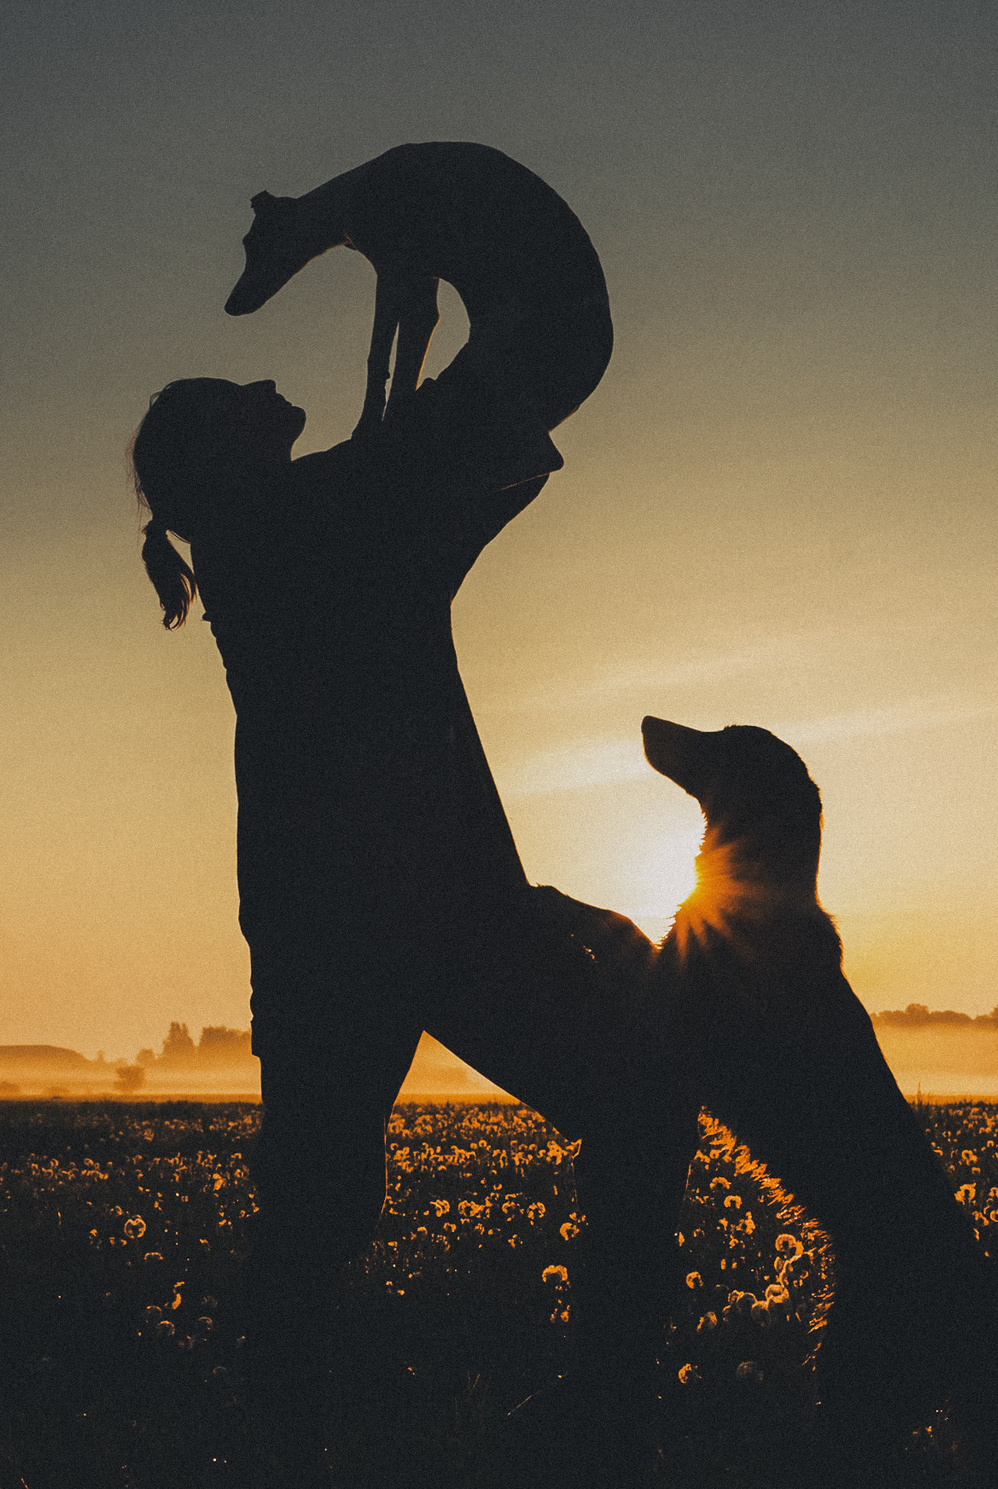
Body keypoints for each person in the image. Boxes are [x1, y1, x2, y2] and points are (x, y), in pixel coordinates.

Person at [131, 350, 694, 1483]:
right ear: (221, 455)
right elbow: (436, 491)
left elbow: (418, 496)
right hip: (426, 914)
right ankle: (603, 1415)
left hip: (340, 928)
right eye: (238, 395)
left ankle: (288, 1444)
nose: (265, 381)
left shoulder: (277, 526)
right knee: (632, 1106)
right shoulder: (287, 524)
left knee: (315, 1212)